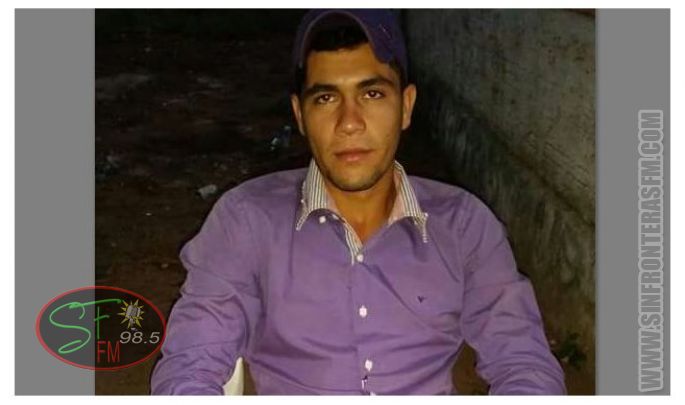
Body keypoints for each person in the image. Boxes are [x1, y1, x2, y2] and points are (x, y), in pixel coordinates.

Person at [150, 9, 566, 395]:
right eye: (326, 98)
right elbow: (190, 365)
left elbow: (523, 361)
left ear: (406, 106)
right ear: (300, 115)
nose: (349, 122)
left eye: (372, 94)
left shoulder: (464, 225)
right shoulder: (247, 220)